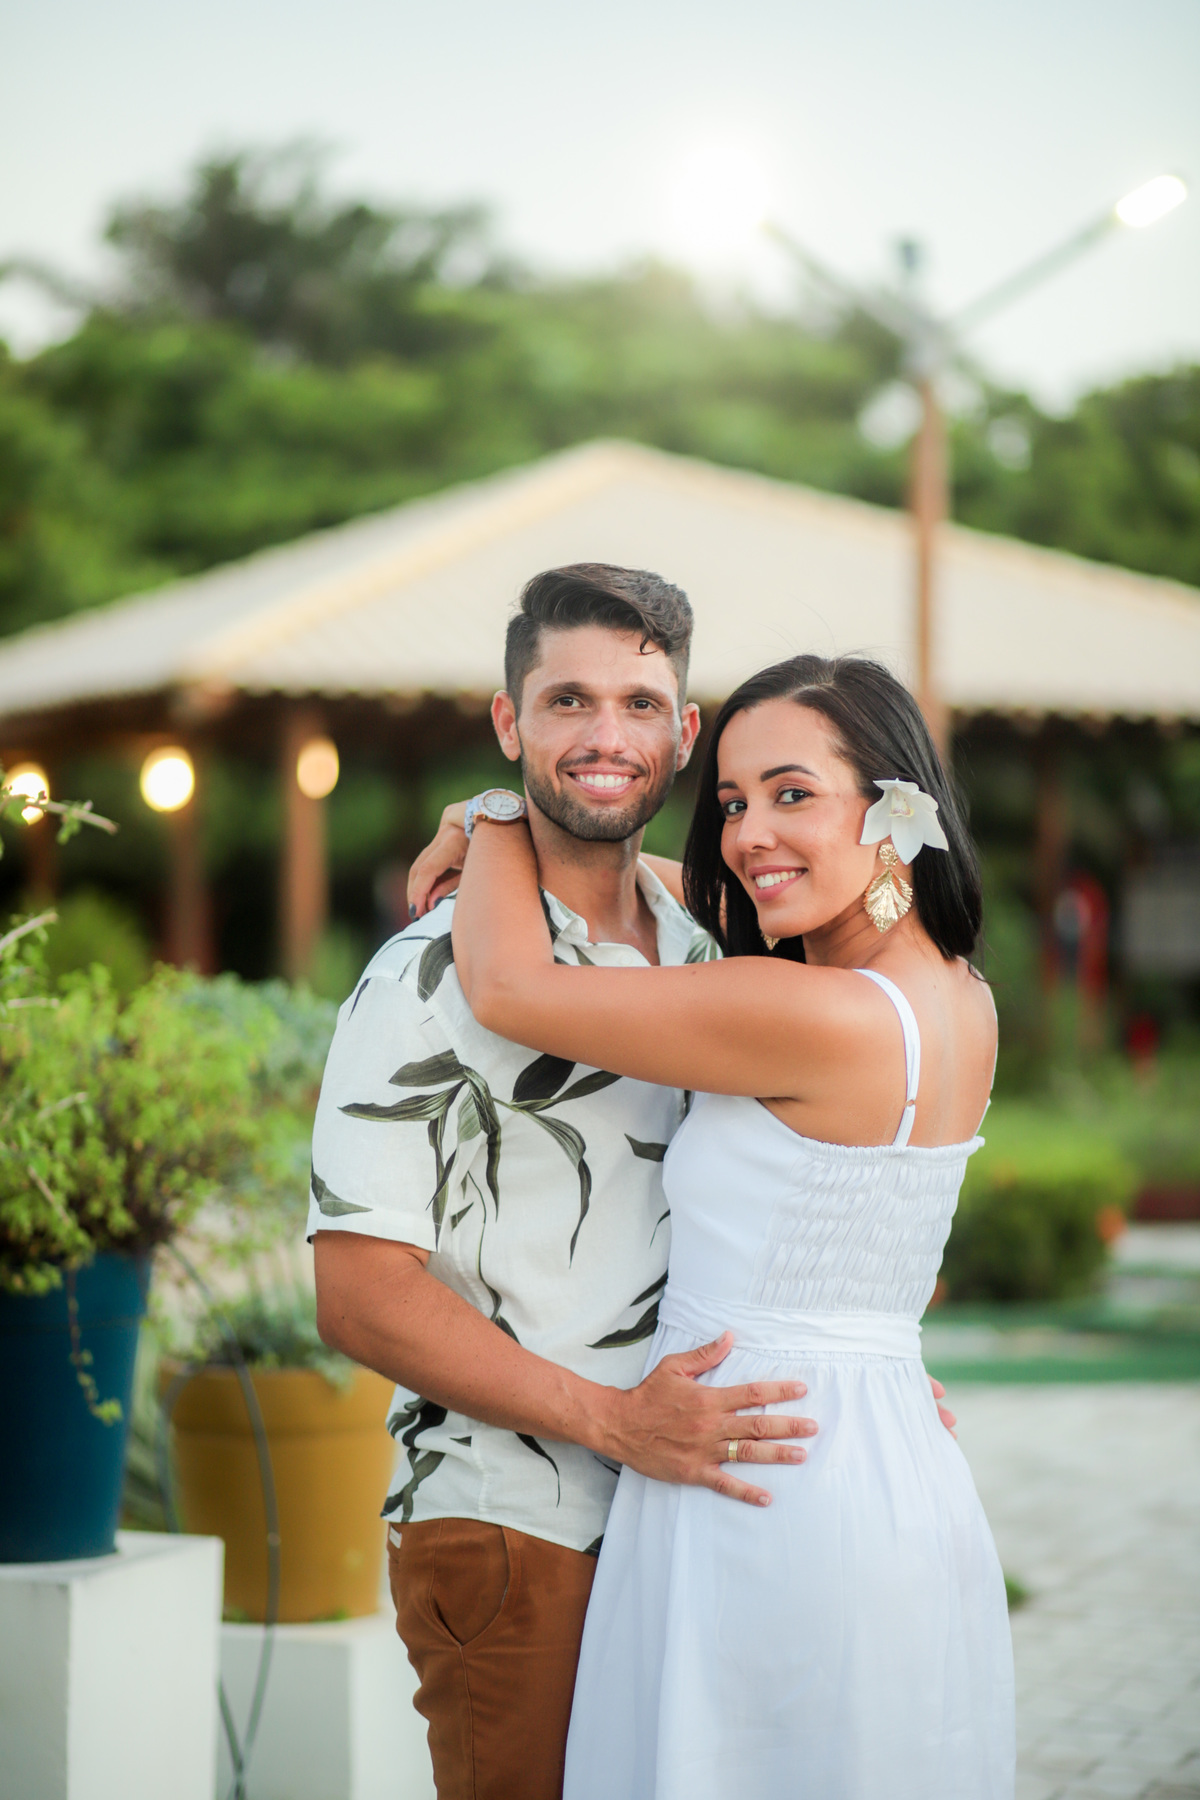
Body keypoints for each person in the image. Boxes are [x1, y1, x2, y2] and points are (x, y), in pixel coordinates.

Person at [447, 652, 1015, 1800]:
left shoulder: (812, 1012)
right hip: (879, 1450)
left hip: (755, 1478)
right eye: (733, 800)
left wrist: (501, 816)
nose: (751, 832)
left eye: (793, 794)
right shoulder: (957, 994)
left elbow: (508, 987)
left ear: (893, 807)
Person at [310, 565, 824, 1800]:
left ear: (685, 733)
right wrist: (609, 1423)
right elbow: (358, 1296)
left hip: (691, 1519)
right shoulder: (423, 974)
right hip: (514, 1521)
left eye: (641, 705)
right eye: (568, 702)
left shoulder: (712, 946)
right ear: (510, 724)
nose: (607, 739)